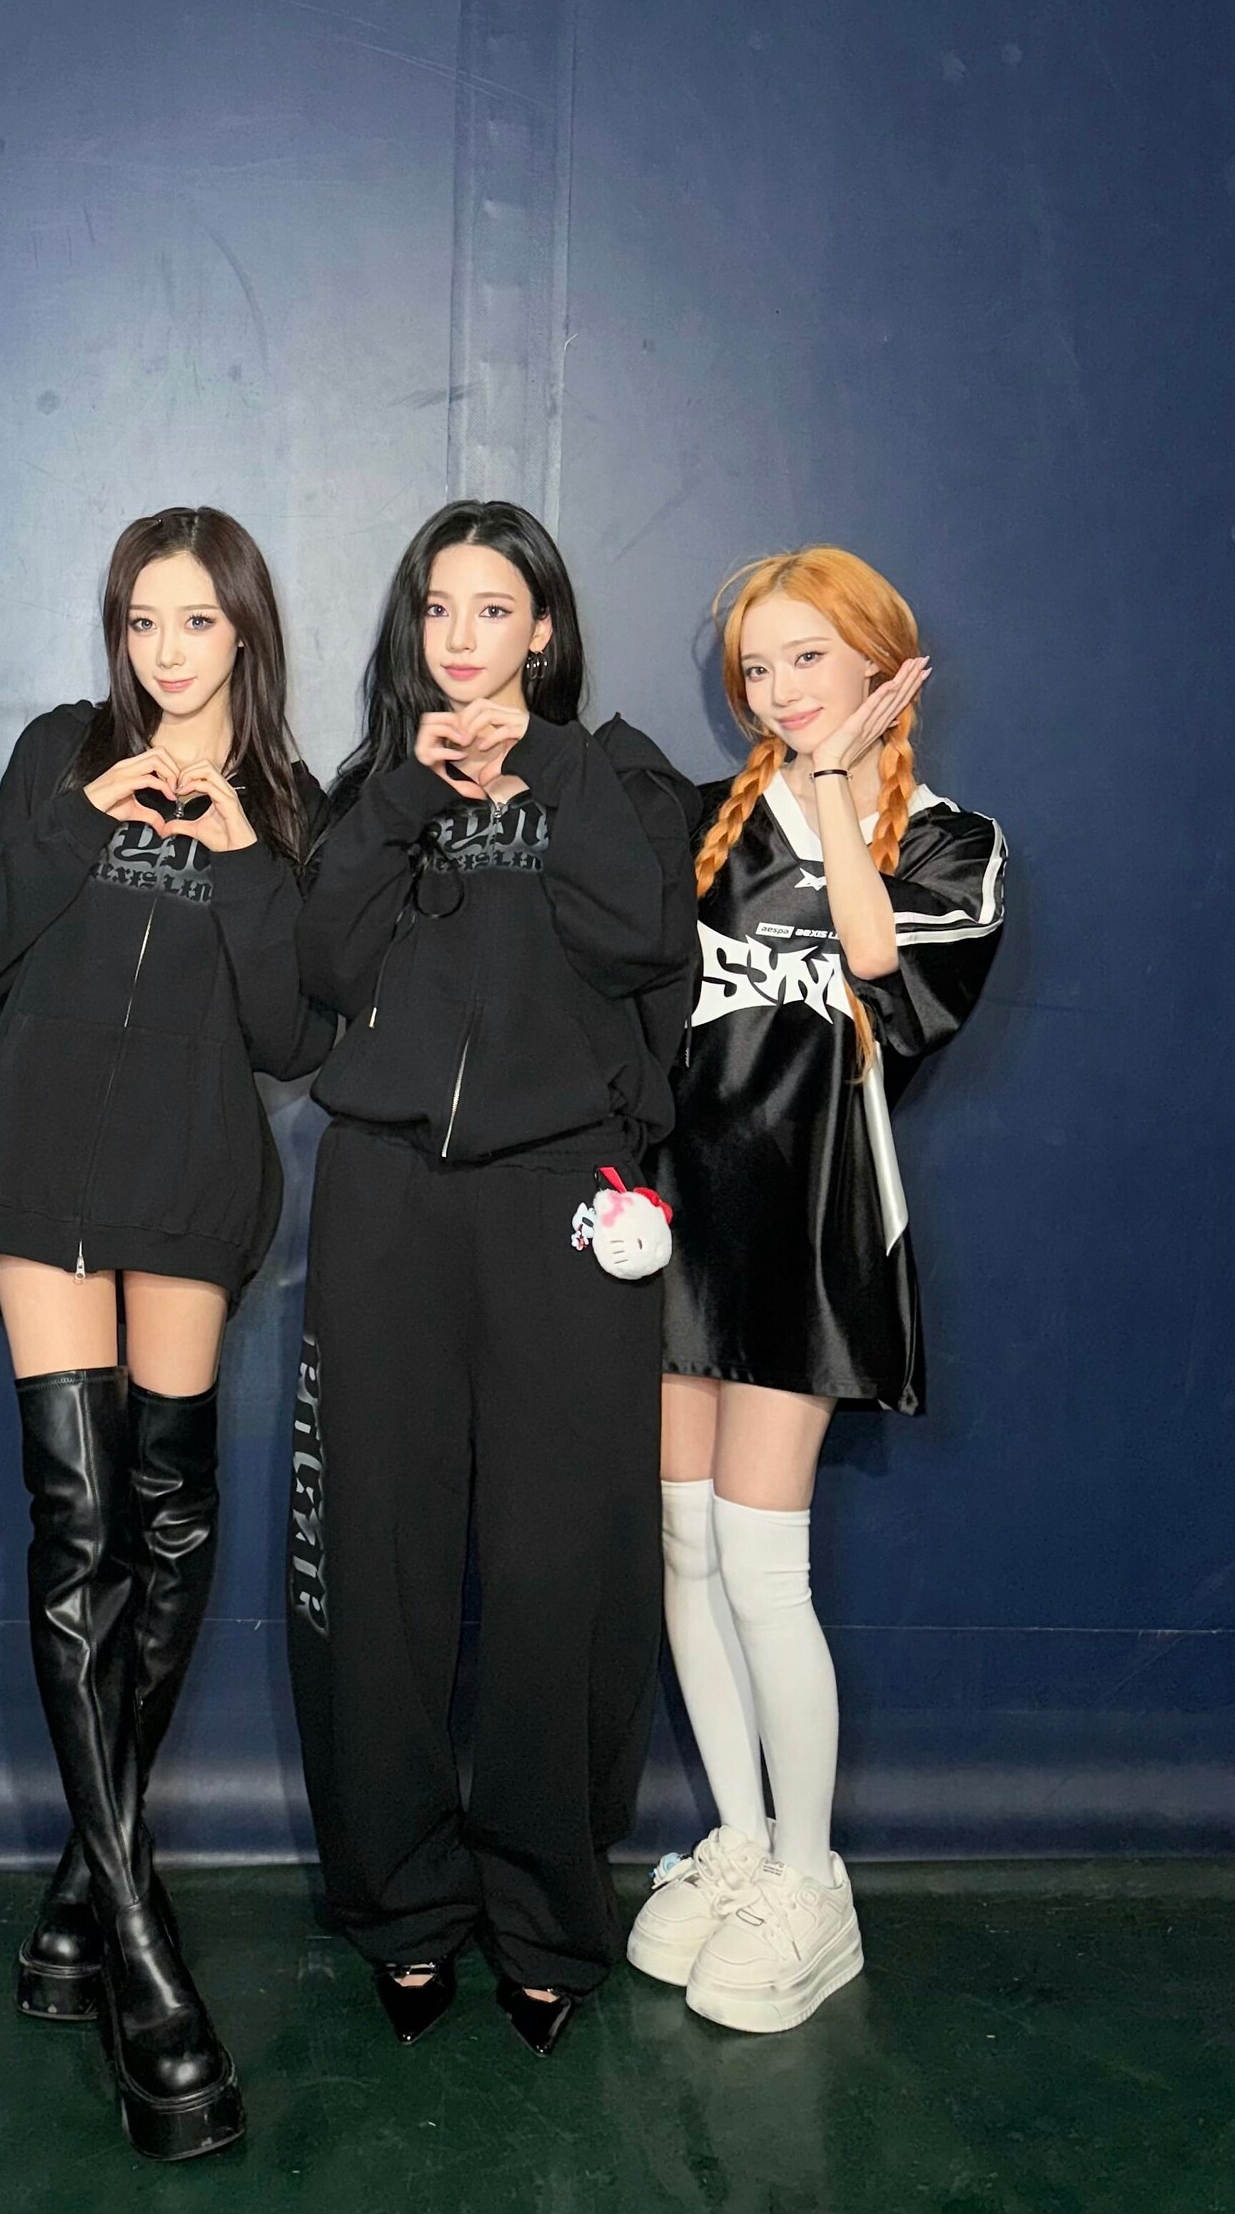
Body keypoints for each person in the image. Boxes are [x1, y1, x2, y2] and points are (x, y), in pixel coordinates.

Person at [0, 505, 328, 2162]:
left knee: (171, 1529)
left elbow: (294, 1034)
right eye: (140, 623)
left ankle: (81, 1896)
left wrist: (234, 852)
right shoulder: (56, 755)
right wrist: (84, 816)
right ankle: (145, 1964)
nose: (165, 653)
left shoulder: (296, 806)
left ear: (244, 631)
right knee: (78, 1527)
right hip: (38, 1172)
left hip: (190, 1177)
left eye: (195, 622)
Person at [287, 500, 699, 2057]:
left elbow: (648, 939)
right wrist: (407, 791)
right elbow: (322, 971)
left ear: (543, 630)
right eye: (439, 609)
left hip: (562, 1206)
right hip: (385, 1202)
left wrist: (551, 772)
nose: (463, 637)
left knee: (554, 1571)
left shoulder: (619, 778)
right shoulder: (369, 791)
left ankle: (545, 1913)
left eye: (495, 609)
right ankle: (401, 1905)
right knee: (379, 1567)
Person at [627, 546, 1007, 2033]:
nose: (781, 690)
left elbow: (880, 976)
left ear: (879, 664)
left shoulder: (954, 842)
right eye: (759, 667)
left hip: (809, 1234)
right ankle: (740, 1844)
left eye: (808, 658)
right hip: (677, 1225)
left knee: (760, 1562)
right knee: (679, 1545)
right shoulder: (696, 826)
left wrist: (840, 786)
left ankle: (809, 1878)